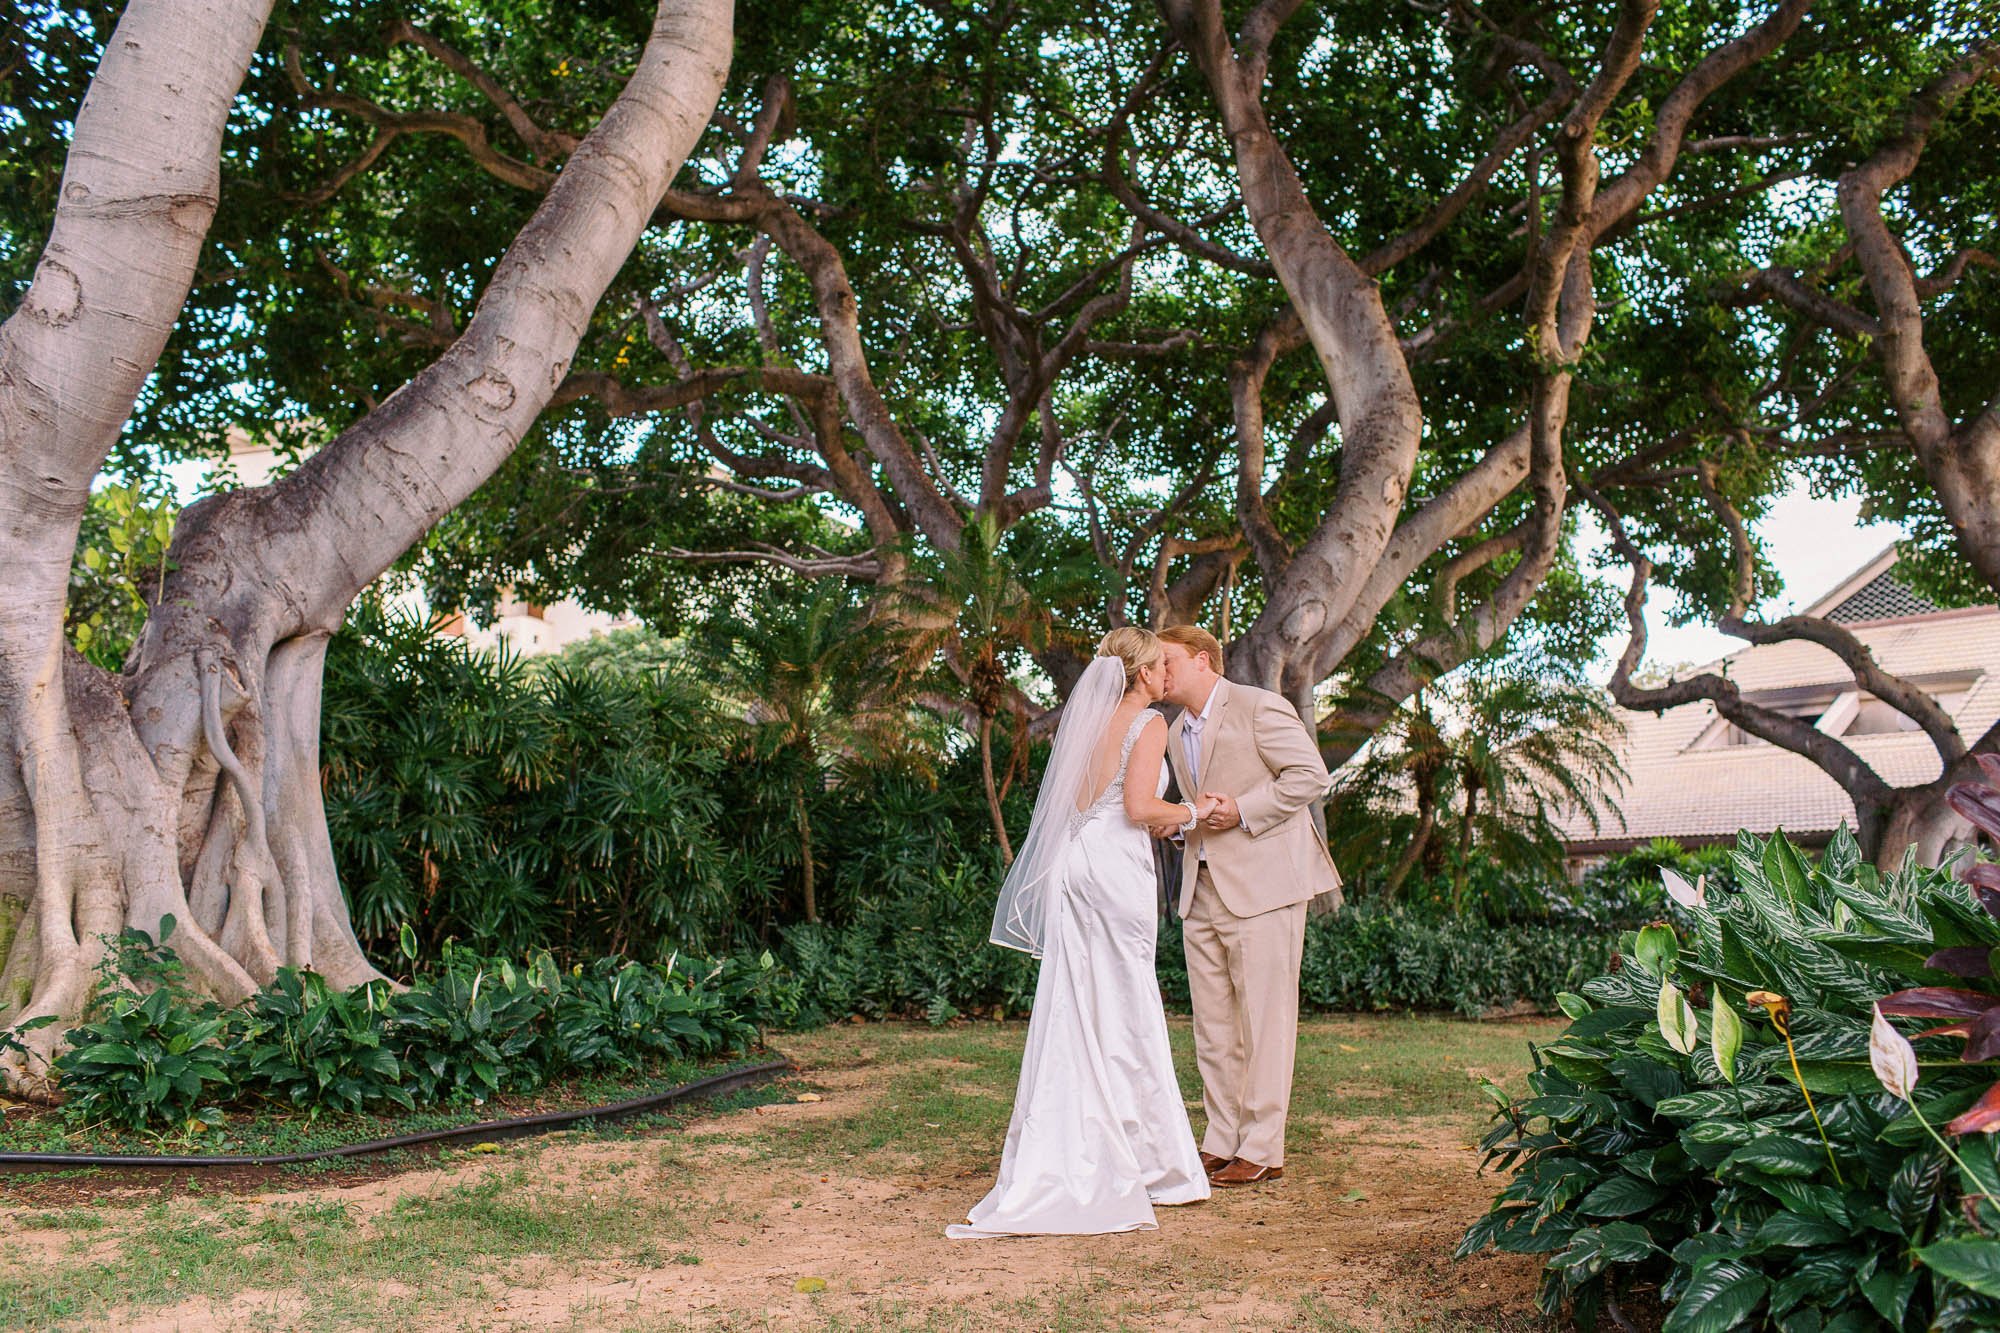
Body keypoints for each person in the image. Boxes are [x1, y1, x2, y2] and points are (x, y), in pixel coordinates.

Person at [946, 628, 1213, 1238]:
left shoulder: (1091, 723)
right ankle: (1150, 1162)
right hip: (1115, 867)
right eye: (1159, 667)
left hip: (1077, 861)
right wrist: (1197, 812)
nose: (1167, 675)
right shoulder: (1148, 725)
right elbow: (1139, 810)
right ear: (1142, 674)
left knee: (1077, 999)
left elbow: (1087, 802)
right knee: (1126, 998)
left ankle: (1085, 1143)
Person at [1155, 625, 1340, 1188]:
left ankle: (1263, 1146)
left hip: (1265, 887)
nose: (1157, 673)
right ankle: (1221, 1138)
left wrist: (1241, 809)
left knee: (1265, 1019)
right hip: (1200, 887)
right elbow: (1195, 805)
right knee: (1213, 1024)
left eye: (1166, 662)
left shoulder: (1260, 706)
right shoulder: (1170, 729)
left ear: (1203, 659)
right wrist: (1181, 825)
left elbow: (1310, 776)